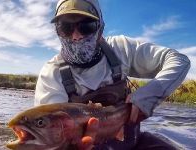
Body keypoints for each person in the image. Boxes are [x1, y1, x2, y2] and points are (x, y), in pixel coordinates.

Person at [34, 0, 190, 149]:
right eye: (65, 27)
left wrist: (148, 96)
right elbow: (48, 134)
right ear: (57, 31)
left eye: (86, 26)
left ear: (100, 27)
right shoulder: (52, 74)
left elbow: (179, 60)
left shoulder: (121, 48)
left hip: (134, 143)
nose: (76, 36)